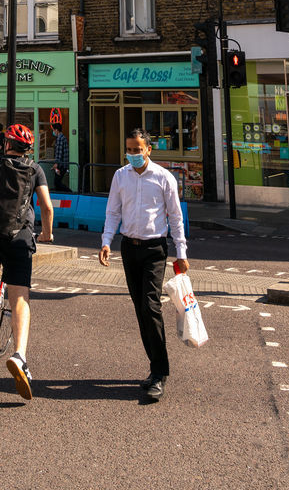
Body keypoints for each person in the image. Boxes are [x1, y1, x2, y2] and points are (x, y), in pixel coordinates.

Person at [99, 128, 189, 402]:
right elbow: (113, 211)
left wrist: (181, 251)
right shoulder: (120, 176)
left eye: (138, 149)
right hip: (129, 247)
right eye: (130, 150)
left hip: (154, 249)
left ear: (149, 149)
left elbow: (175, 216)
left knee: (150, 306)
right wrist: (106, 241)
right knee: (140, 309)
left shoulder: (164, 178)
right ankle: (154, 367)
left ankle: (160, 373)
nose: (134, 154)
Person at [0, 123, 54, 400]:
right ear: (28, 149)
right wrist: (47, 233)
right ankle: (19, 356)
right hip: (19, 237)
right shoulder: (35, 169)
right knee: (19, 296)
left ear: (6, 145)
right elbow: (47, 207)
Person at [51, 120, 69, 192]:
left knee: (57, 182)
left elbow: (59, 152)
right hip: (63, 164)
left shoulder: (60, 138)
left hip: (61, 165)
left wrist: (56, 164)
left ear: (56, 130)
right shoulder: (63, 137)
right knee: (58, 182)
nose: (53, 132)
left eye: (53, 130)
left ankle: (69, 192)